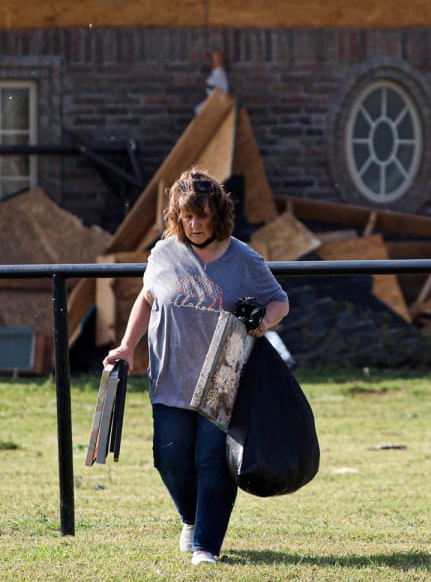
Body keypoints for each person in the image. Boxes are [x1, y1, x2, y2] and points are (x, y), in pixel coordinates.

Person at [104, 169, 289, 566]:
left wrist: (264, 320)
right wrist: (126, 346)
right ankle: (191, 516)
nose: (195, 224)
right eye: (187, 216)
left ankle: (206, 545)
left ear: (217, 214)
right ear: (177, 215)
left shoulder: (244, 258)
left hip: (222, 380)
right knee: (168, 457)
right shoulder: (162, 254)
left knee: (211, 460)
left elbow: (279, 301)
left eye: (203, 216)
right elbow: (147, 299)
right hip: (170, 375)